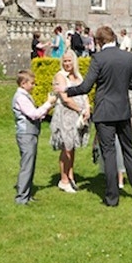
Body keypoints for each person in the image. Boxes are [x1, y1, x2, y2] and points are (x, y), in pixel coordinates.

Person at [62, 25, 132, 206]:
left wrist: (66, 90)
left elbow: (86, 87)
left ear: (99, 41)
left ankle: (112, 198)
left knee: (109, 153)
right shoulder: (127, 57)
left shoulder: (98, 58)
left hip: (104, 112)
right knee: (128, 151)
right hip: (123, 110)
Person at [11, 70, 56, 205]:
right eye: (32, 83)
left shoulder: (25, 96)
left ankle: (27, 194)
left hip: (31, 133)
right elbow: (33, 114)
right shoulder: (21, 97)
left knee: (30, 165)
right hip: (26, 134)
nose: (34, 86)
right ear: (23, 83)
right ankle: (21, 198)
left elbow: (38, 115)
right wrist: (48, 103)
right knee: (27, 165)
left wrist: (48, 107)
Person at [50, 50, 90, 194]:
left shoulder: (78, 76)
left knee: (72, 147)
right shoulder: (60, 76)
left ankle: (70, 177)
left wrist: (87, 108)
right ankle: (63, 180)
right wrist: (80, 109)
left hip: (77, 116)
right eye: (65, 61)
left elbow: (85, 94)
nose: (67, 64)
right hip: (65, 115)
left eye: (69, 61)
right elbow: (65, 99)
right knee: (66, 148)